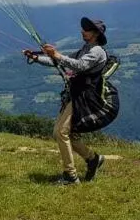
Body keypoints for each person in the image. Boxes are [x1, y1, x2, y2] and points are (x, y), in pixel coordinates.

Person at [23, 17, 109, 185]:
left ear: (96, 34)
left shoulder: (97, 51)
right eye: (83, 28)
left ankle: (70, 175)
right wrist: (36, 58)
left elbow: (80, 65)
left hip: (83, 97)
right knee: (68, 134)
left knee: (60, 132)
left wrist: (57, 54)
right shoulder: (86, 49)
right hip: (76, 95)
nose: (83, 31)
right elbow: (60, 62)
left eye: (87, 29)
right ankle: (93, 159)